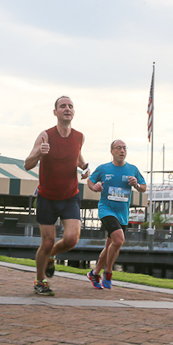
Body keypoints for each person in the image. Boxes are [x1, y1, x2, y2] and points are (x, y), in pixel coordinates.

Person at [24, 96, 89, 296]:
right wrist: (40, 154)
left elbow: (77, 156)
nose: (67, 109)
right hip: (47, 197)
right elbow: (27, 164)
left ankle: (52, 255)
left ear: (73, 112)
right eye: (62, 106)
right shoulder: (45, 136)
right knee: (47, 241)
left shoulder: (79, 137)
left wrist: (85, 168)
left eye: (70, 106)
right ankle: (40, 281)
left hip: (70, 196)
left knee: (71, 239)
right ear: (55, 112)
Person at [86, 139, 147, 289]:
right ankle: (108, 272)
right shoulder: (103, 168)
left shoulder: (132, 169)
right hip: (106, 209)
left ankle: (95, 273)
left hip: (122, 213)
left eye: (124, 148)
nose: (122, 151)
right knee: (119, 240)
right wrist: (95, 187)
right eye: (118, 148)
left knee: (110, 246)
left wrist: (136, 185)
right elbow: (90, 181)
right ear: (112, 151)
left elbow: (143, 187)